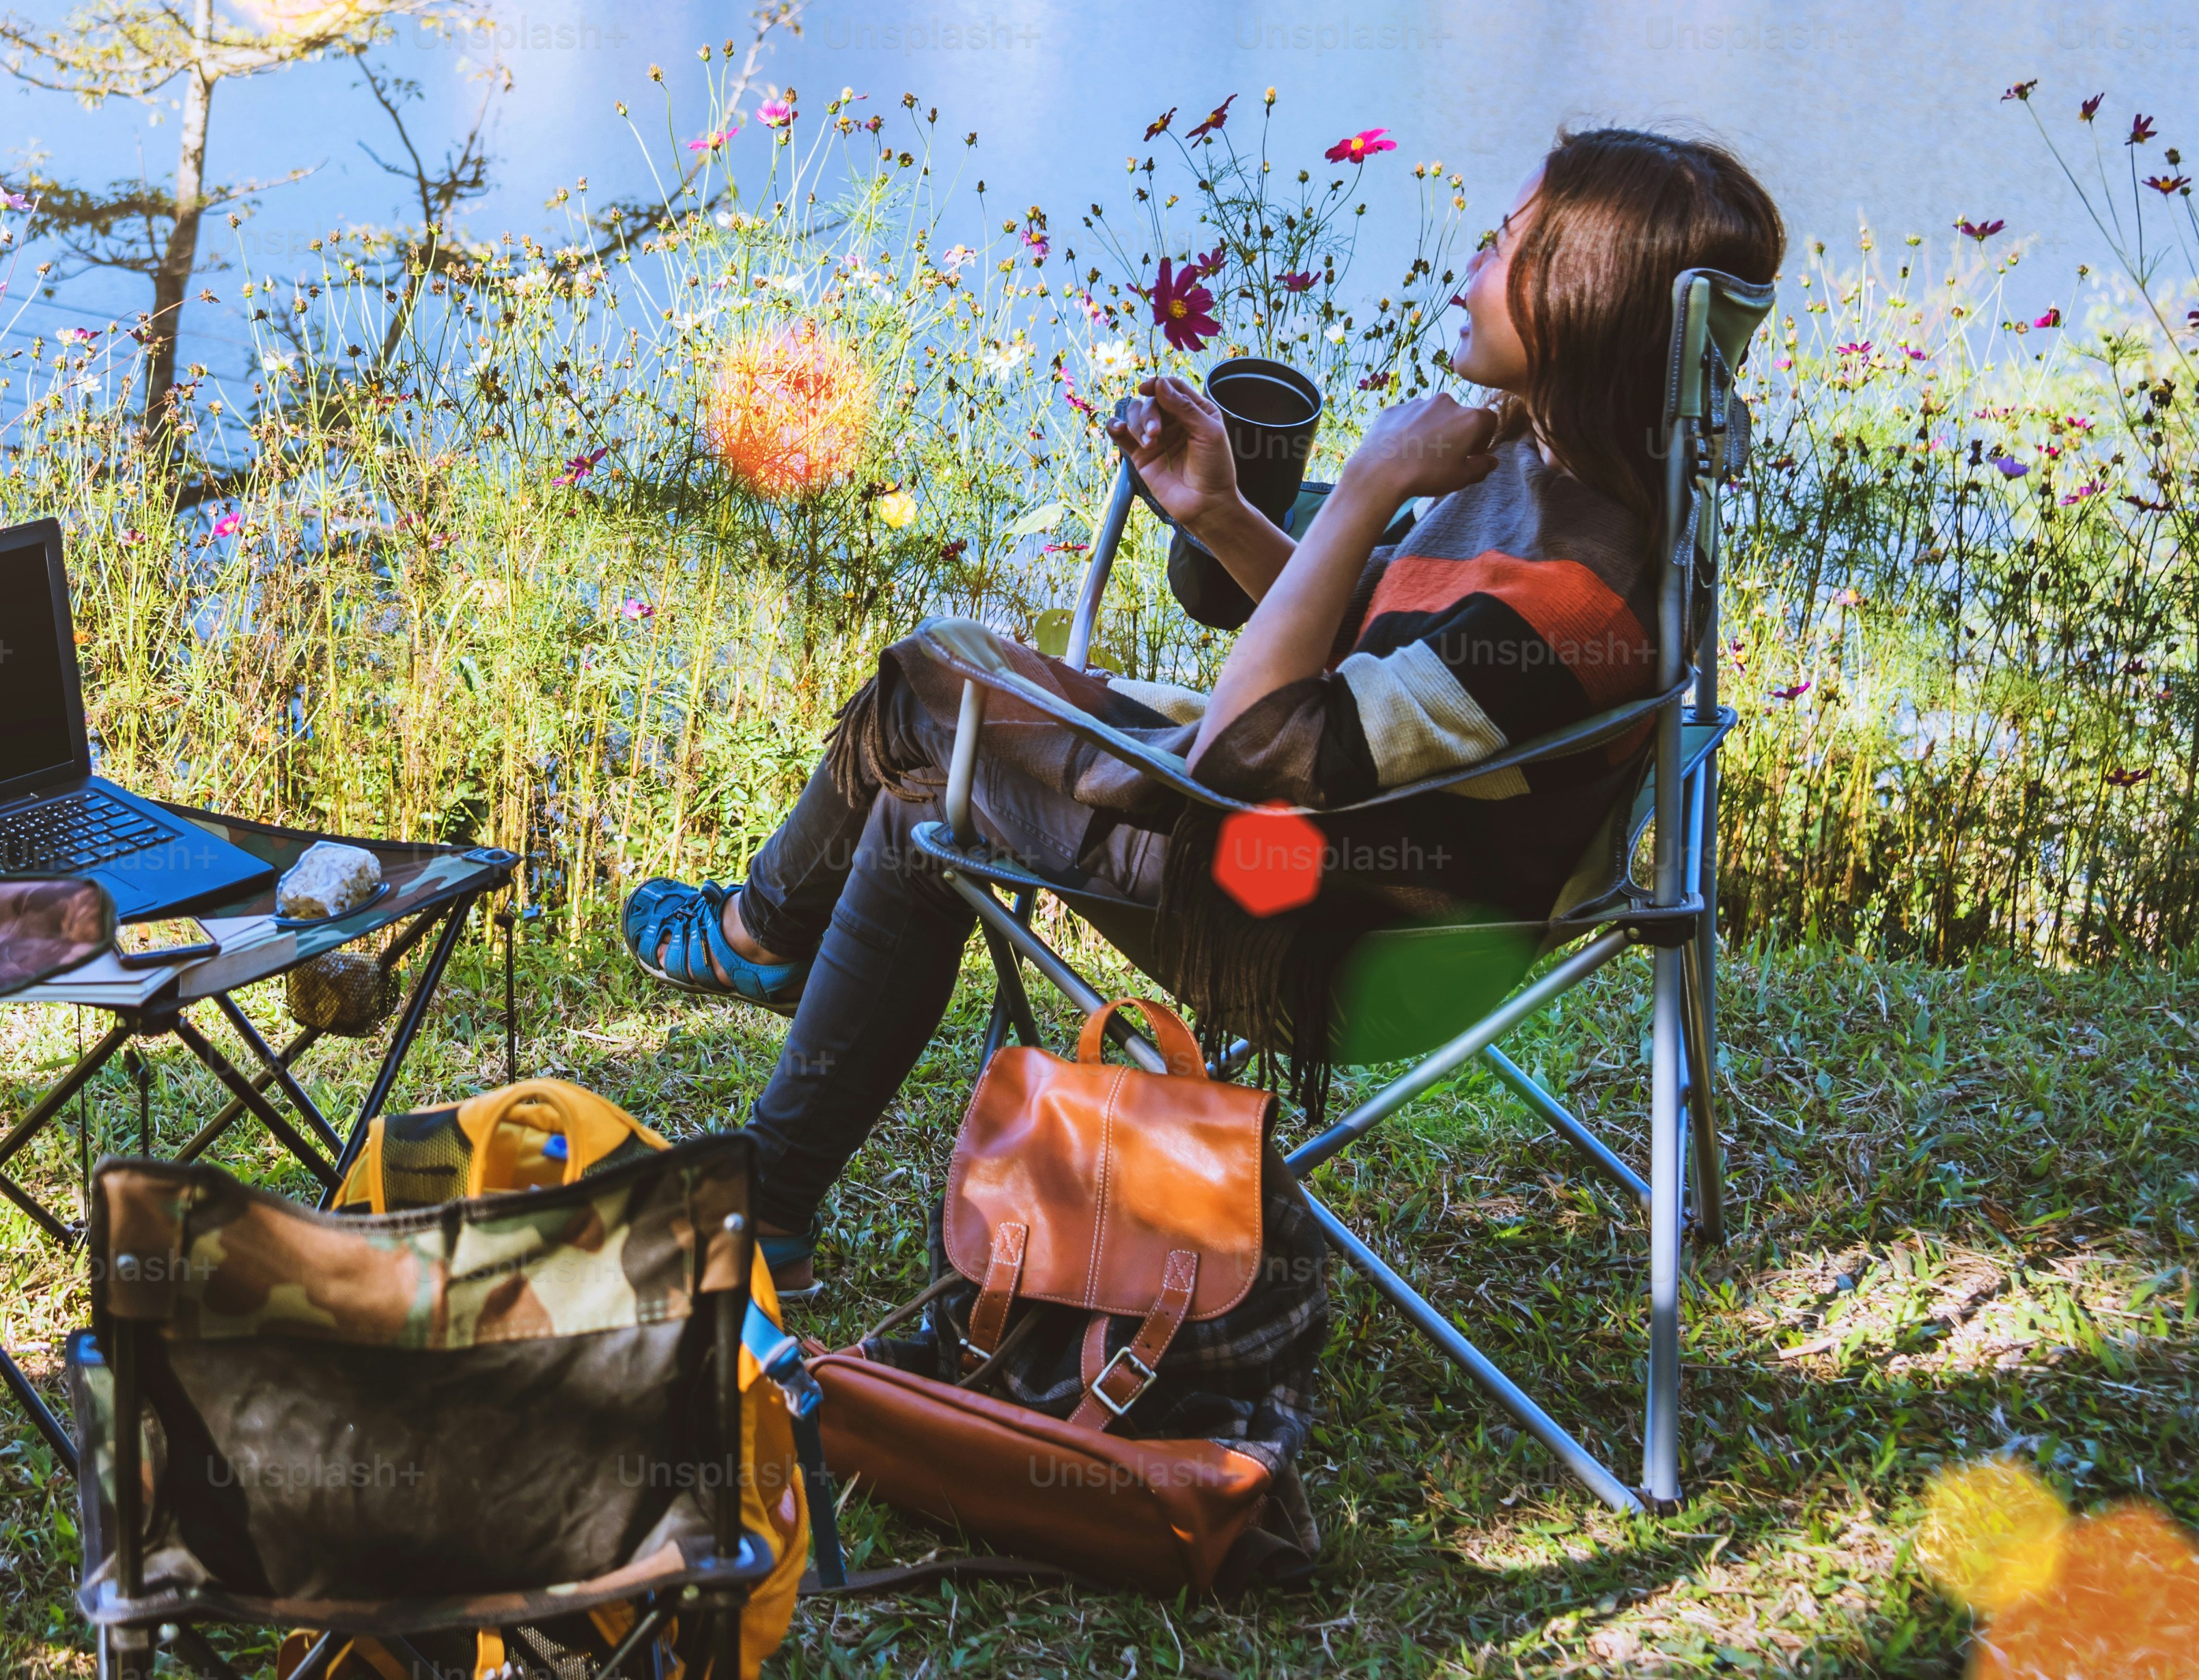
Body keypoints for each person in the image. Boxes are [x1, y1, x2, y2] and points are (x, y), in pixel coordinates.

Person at [620, 126, 1784, 1293]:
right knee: (934, 792)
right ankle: (767, 1184)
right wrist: (1221, 511)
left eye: (1501, 245)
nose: (1467, 267)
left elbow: (1248, 752)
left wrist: (1372, 480)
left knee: (938, 679)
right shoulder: (1567, 487)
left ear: (1579, 301)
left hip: (1322, 932)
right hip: (1332, 874)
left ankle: (760, 940)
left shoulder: (1564, 595)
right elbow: (1377, 638)